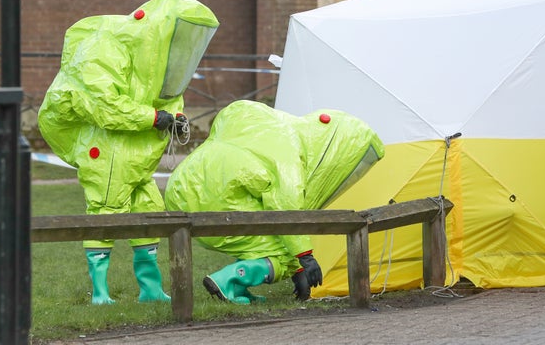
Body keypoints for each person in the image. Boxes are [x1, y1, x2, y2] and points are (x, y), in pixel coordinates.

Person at [38, 0, 219, 305]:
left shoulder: (162, 64)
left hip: (137, 158)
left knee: (148, 213)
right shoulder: (104, 48)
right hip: (106, 154)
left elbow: (169, 99)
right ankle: (100, 293)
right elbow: (104, 105)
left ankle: (149, 290)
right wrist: (153, 118)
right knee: (104, 214)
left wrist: (173, 118)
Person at [164, 100, 385, 304]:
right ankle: (229, 280)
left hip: (182, 187)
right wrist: (304, 259)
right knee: (284, 253)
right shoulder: (290, 156)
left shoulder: (276, 129)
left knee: (260, 238)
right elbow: (286, 213)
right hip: (216, 200)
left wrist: (300, 268)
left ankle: (239, 288)